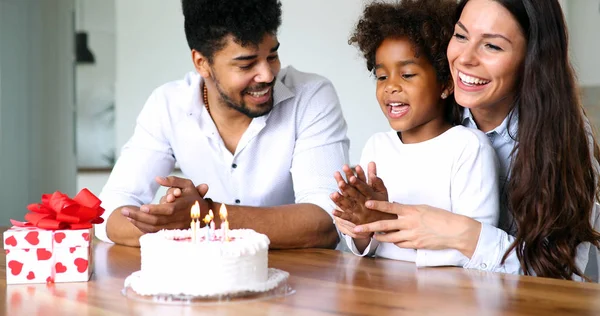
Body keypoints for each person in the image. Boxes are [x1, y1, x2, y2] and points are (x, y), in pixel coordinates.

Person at [352, 0, 600, 280]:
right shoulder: (435, 108)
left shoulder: (559, 134)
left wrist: (464, 234)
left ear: (532, 59)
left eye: (492, 46)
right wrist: (367, 222)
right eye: (460, 35)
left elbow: (561, 274)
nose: (465, 58)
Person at [95, 0, 350, 248]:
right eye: (246, 64)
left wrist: (204, 215)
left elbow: (327, 221)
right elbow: (109, 212)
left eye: (272, 56)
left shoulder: (311, 95)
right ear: (201, 63)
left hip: (304, 280)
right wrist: (168, 223)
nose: (267, 74)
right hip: (205, 282)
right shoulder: (168, 105)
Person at [331, 0, 499, 267]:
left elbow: (476, 248)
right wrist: (362, 223)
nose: (390, 87)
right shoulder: (377, 147)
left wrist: (391, 228)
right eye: (382, 76)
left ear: (445, 83)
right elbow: (366, 247)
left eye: (407, 74)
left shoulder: (468, 147)